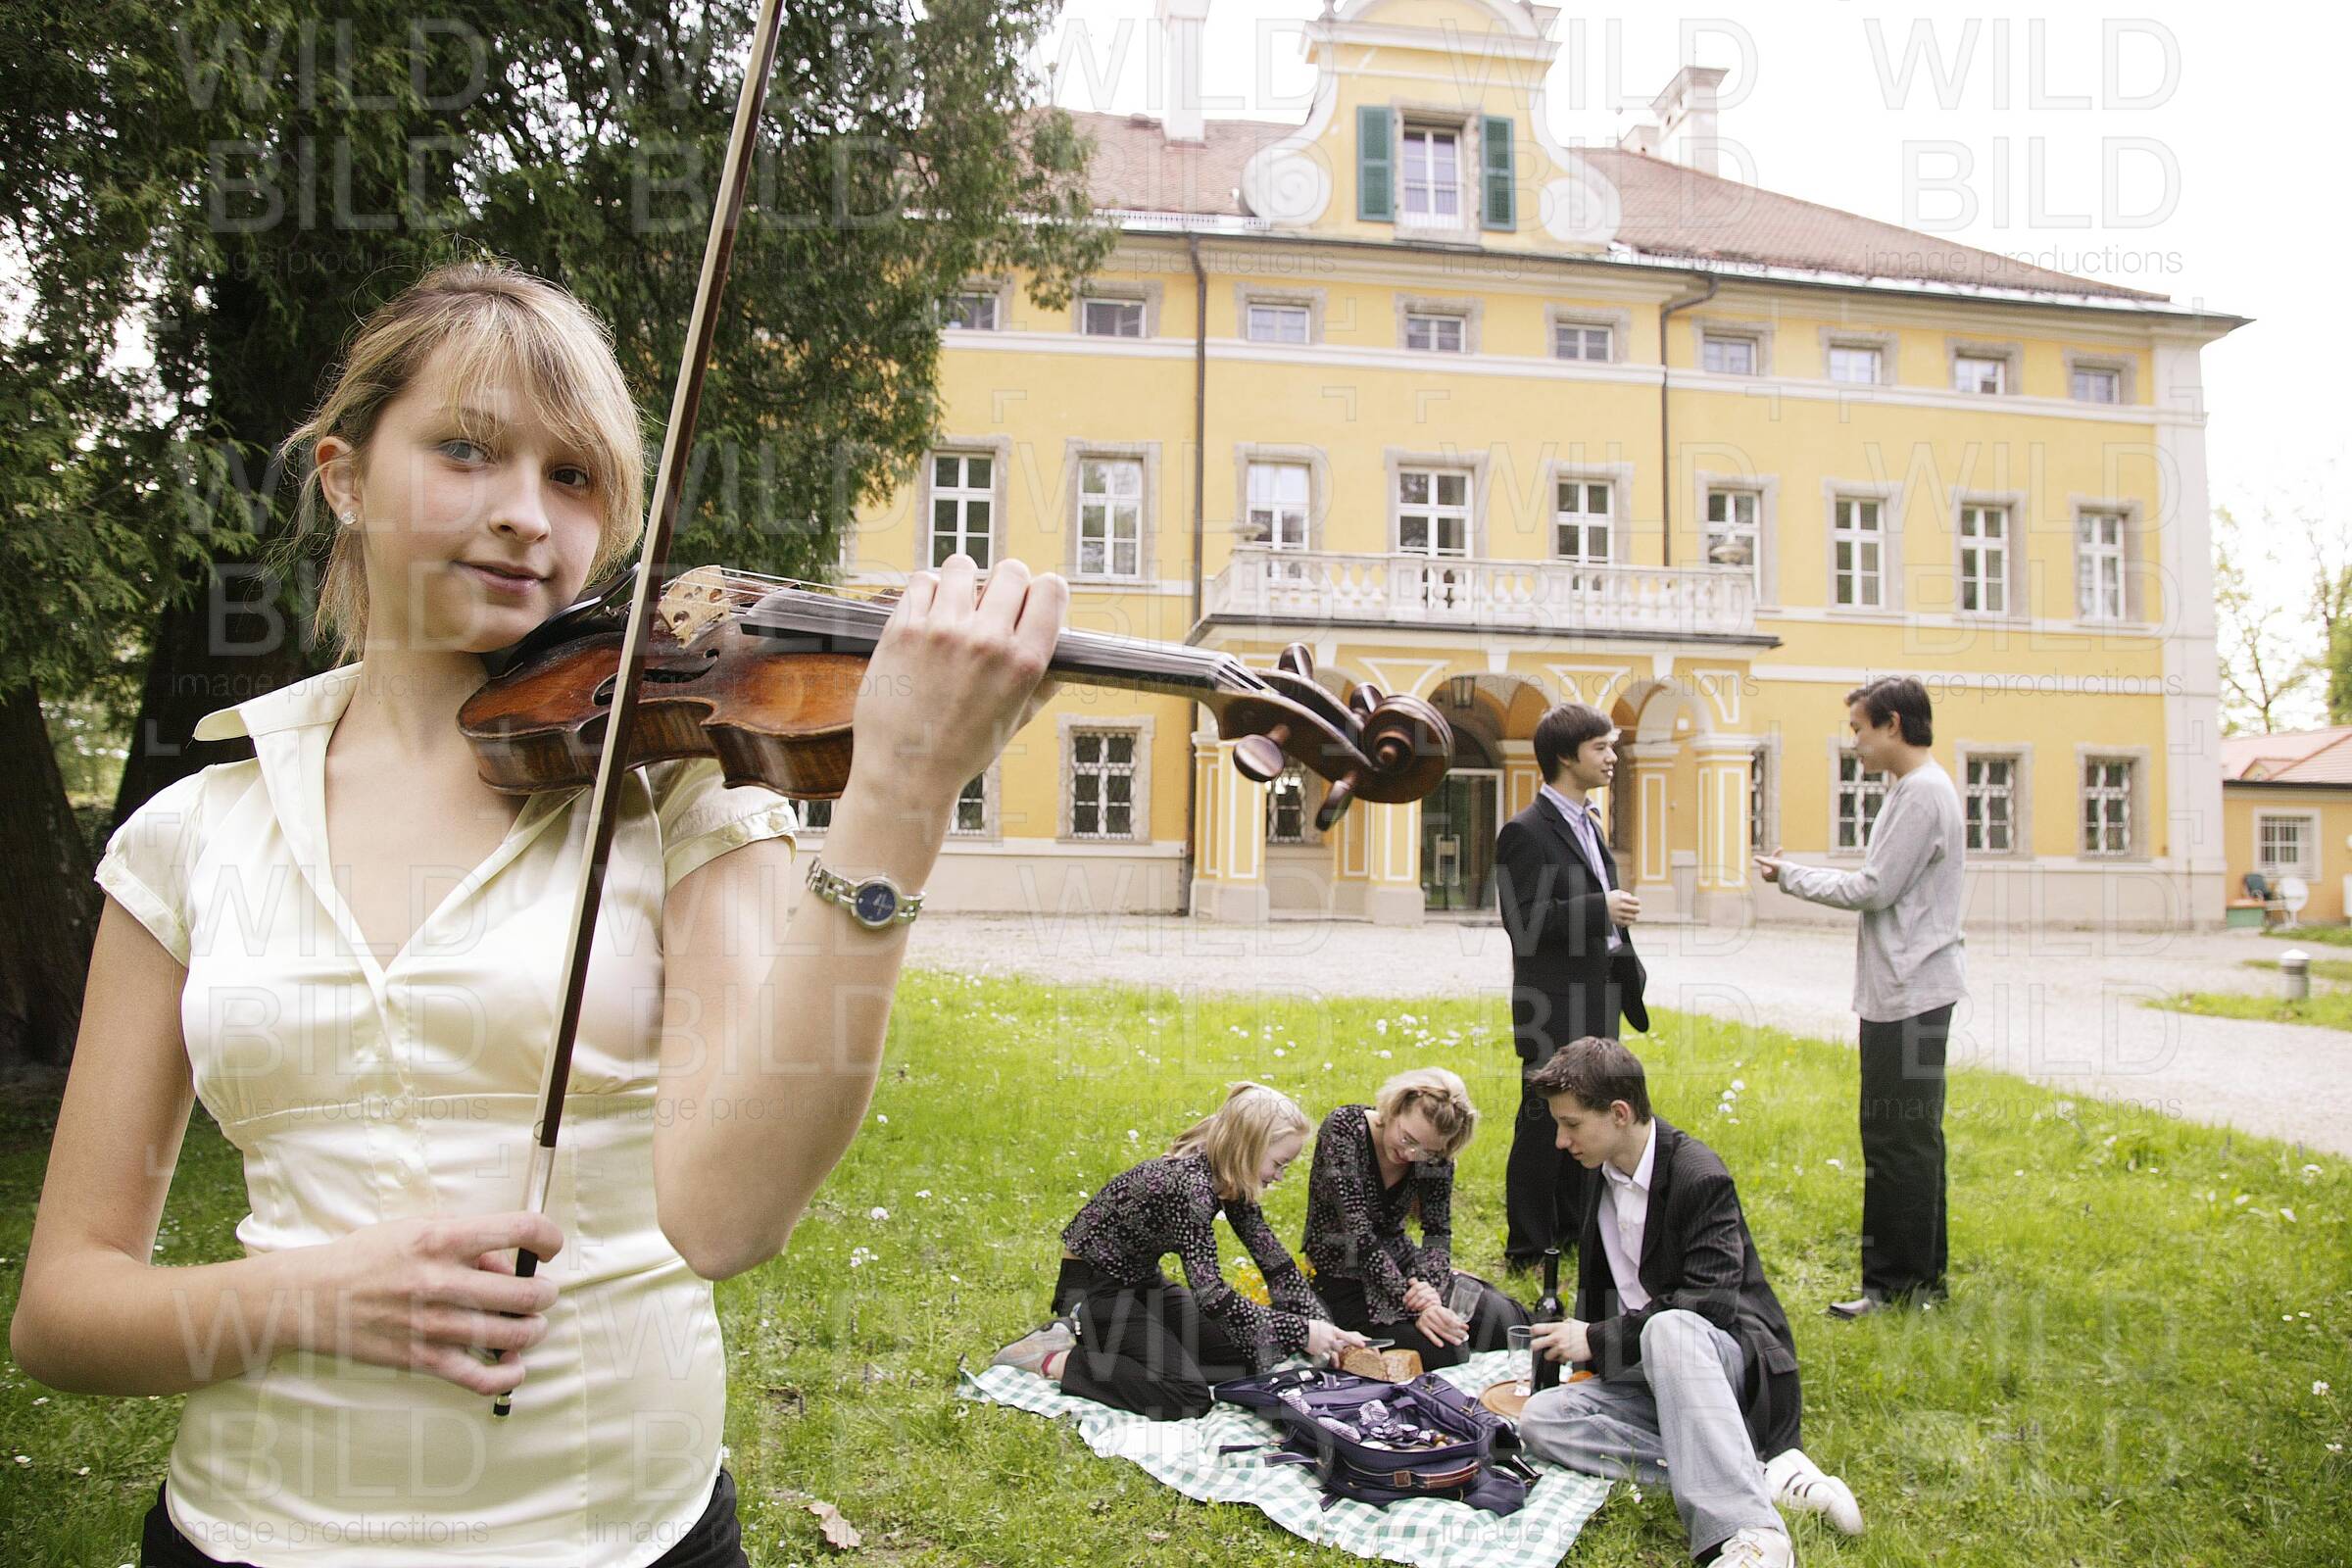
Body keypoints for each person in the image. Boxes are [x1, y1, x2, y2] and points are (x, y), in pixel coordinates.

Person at [7, 261, 1065, 1568]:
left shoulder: (676, 787)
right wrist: (310, 1296)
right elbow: (61, 1313)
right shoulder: (190, 836)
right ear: (343, 476)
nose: (525, 513)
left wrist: (902, 793)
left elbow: (728, 1216)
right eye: (465, 450)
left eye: (573, 476)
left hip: (622, 1538)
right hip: (244, 1533)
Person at [1516, 1039, 1862, 1568]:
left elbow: (1708, 1304)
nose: (1561, 1141)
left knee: (1671, 1329)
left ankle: (1756, 1536)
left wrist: (1594, 1338)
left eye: (1571, 1125)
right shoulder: (1597, 1171)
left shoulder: (1699, 1175)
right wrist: (1592, 1352)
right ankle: (1757, 1477)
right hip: (1646, 1371)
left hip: (1725, 1364)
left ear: (1619, 1113)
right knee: (1542, 1419)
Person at [1755, 675, 1965, 1320]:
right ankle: (1920, 1283)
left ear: (1893, 724)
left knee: (1897, 1141)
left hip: (1908, 992)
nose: (1855, 742)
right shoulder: (1916, 787)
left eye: (1859, 728)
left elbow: (1873, 888)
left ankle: (1895, 1288)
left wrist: (1790, 876)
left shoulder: (1921, 793)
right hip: (1909, 989)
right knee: (1911, 1138)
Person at [990, 1082, 1367, 1419]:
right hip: (1093, 1290)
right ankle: (1053, 1357)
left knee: (1250, 1354)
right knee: (1187, 1396)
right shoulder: (1190, 1188)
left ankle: (1125, 1354)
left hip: (1140, 1282)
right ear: (1248, 1150)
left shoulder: (1227, 1174)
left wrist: (1325, 1329)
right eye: (1279, 1163)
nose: (1280, 1176)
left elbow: (1274, 1261)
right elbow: (1211, 1295)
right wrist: (1300, 1330)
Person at [1494, 701, 1649, 1271]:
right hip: (1553, 1003)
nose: (1612, 758)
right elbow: (1523, 923)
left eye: (1612, 746)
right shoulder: (1524, 831)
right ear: (1565, 755)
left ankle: (1574, 1230)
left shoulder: (1590, 822)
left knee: (1591, 1117)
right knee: (1543, 1124)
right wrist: (1599, 907)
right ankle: (1528, 1246)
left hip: (1599, 994)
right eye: (1600, 748)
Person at [1299, 1067, 1529, 1370]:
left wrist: (1429, 1290)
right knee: (1446, 1351)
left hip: (1403, 1265)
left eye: (1425, 1150)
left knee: (1505, 1323)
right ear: (1395, 1108)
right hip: (1343, 1275)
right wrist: (1418, 1305)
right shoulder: (1344, 1129)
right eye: (1407, 1138)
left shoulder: (1436, 1154)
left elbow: (1437, 1232)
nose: (1410, 1153)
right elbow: (1358, 1234)